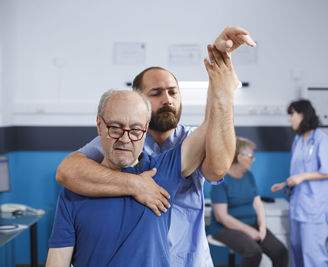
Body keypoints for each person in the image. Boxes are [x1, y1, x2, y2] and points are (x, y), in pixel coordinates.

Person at [54, 26, 255, 266]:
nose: (167, 99)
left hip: (189, 260)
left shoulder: (187, 144)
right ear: (138, 99)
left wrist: (220, 70)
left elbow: (218, 167)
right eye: (157, 93)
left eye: (173, 92)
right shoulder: (121, 140)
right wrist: (136, 184)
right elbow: (67, 171)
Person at [270, 99, 328, 267]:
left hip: (315, 208)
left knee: (312, 255)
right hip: (299, 205)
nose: (289, 119)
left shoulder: (322, 140)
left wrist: (302, 177)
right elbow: (298, 172)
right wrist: (285, 183)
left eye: (292, 114)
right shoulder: (298, 141)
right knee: (297, 250)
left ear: (302, 115)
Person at [209, 137, 288, 267]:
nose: (253, 159)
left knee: (280, 251)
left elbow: (258, 204)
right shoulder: (221, 181)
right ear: (240, 157)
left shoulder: (249, 176)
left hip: (252, 224)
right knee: (253, 252)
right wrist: (249, 231)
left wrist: (262, 227)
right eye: (251, 156)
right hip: (224, 228)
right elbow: (221, 217)